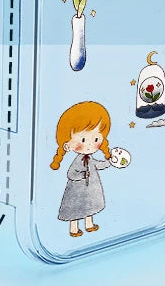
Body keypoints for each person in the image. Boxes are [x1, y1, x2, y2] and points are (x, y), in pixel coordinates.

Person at [50, 101, 114, 237]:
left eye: (96, 139)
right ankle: (74, 228)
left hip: (89, 190)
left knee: (89, 206)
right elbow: (71, 173)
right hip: (77, 191)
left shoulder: (90, 158)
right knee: (76, 209)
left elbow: (98, 165)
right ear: (68, 143)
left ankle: (89, 225)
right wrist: (82, 175)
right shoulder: (79, 160)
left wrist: (110, 162)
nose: (90, 145)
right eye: (83, 140)